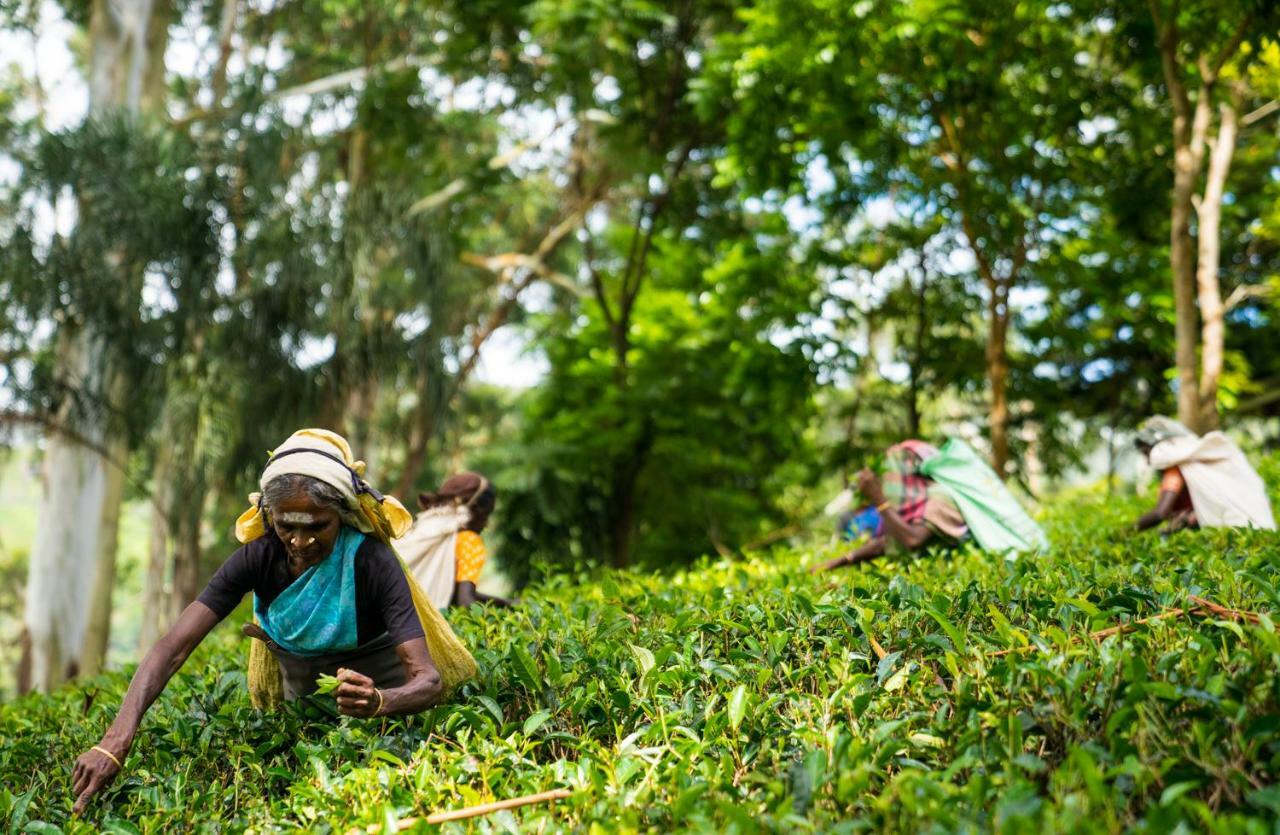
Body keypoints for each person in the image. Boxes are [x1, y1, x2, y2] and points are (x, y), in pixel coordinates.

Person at [70, 429, 474, 814]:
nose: (300, 542)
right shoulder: (257, 557)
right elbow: (172, 649)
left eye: (317, 526)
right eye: (286, 526)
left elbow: (428, 681)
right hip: (302, 707)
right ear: (269, 515)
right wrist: (115, 741)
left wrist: (382, 700)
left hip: (388, 709)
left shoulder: (371, 561)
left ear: (342, 515)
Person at [813, 441, 969, 572]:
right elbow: (885, 543)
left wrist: (878, 499)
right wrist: (837, 562)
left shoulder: (941, 497)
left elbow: (913, 539)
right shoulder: (917, 501)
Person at [1133, 416, 1276, 533]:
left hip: (1237, 535)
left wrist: (1128, 530)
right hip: (1261, 530)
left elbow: (1160, 513)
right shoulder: (1198, 465)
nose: (1148, 461)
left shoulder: (1175, 470)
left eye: (1146, 453)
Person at [396, 472, 515, 608]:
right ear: (476, 510)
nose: (486, 524)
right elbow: (465, 600)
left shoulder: (425, 525)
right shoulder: (469, 541)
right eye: (487, 514)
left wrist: (506, 603)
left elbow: (453, 590)